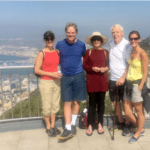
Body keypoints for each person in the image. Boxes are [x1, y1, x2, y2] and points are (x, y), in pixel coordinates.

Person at [56, 23, 86, 140]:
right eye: (68, 32)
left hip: (78, 75)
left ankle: (73, 124)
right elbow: (54, 57)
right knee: (66, 102)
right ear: (66, 32)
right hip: (65, 77)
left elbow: (87, 57)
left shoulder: (81, 44)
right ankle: (67, 128)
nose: (70, 34)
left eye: (72, 32)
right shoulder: (60, 44)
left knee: (76, 102)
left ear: (76, 33)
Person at [121, 31, 149, 143]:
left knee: (139, 111)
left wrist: (140, 86)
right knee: (127, 111)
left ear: (139, 39)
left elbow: (146, 72)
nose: (133, 41)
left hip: (137, 85)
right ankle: (140, 128)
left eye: (135, 38)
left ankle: (138, 133)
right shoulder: (131, 52)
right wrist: (123, 77)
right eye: (131, 39)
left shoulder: (142, 53)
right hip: (128, 84)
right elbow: (128, 67)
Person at [34, 31, 62, 137]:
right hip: (45, 81)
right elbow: (37, 70)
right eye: (47, 39)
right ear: (45, 40)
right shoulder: (42, 53)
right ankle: (48, 126)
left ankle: (53, 125)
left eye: (51, 39)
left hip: (56, 81)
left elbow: (58, 64)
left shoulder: (57, 52)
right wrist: (52, 74)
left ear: (54, 39)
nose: (49, 41)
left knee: (55, 104)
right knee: (46, 106)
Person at [83, 32, 109, 136]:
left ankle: (100, 124)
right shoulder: (88, 52)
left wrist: (105, 68)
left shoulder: (106, 52)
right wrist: (92, 68)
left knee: (101, 104)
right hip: (92, 80)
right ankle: (90, 124)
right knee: (92, 104)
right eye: (95, 39)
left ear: (101, 41)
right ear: (92, 41)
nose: (96, 41)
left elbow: (108, 65)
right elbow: (84, 65)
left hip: (102, 80)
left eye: (98, 39)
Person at [108, 24, 132, 135]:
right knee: (115, 103)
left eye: (117, 32)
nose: (115, 34)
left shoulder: (127, 45)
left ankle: (127, 125)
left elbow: (129, 63)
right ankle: (121, 123)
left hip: (125, 79)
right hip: (113, 78)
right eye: (113, 32)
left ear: (122, 33)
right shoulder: (110, 44)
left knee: (127, 104)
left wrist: (123, 77)